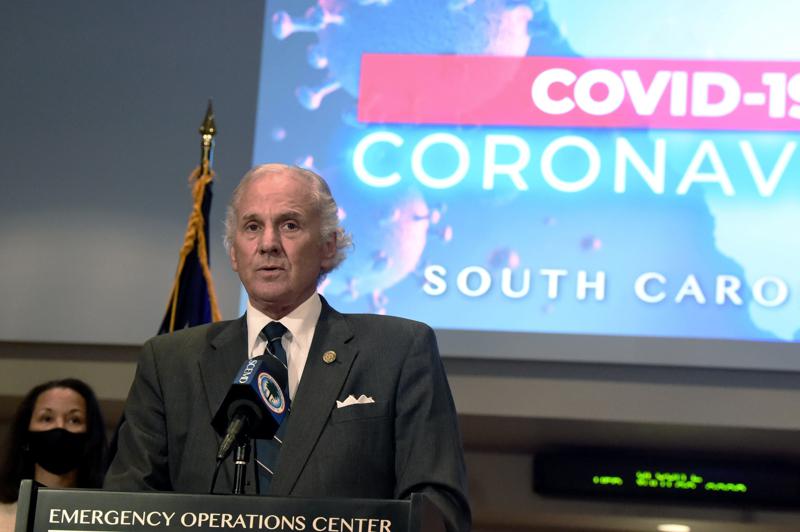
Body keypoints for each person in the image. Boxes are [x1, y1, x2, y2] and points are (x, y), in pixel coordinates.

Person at [105, 163, 471, 532]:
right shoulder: (170, 362)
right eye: (252, 227)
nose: (268, 244)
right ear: (234, 253)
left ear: (328, 246)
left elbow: (436, 505)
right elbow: (124, 507)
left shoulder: (398, 351)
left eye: (289, 225)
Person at [0, 378, 108, 532]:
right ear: (25, 432)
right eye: (47, 418)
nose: (60, 427)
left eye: (74, 420)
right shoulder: (1, 516)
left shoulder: (105, 517)